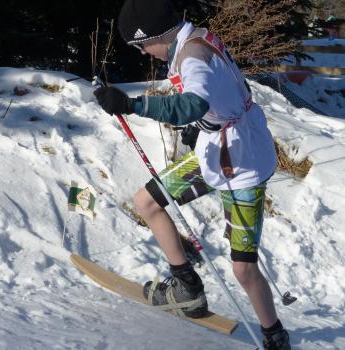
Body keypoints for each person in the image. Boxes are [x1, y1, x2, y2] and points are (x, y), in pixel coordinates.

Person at [94, 0, 291, 348]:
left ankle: (273, 333)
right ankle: (187, 286)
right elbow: (218, 92)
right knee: (147, 202)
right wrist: (204, 125)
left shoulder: (191, 56)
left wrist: (133, 104)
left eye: (141, 45)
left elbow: (192, 103)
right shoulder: (192, 39)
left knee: (244, 270)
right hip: (216, 146)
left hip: (242, 160)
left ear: (154, 36)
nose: (143, 53)